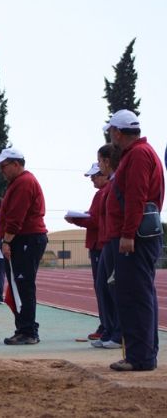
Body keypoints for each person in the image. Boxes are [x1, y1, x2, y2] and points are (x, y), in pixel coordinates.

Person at [104, 110, 164, 372]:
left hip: (134, 238)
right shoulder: (141, 152)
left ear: (117, 132)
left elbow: (136, 196)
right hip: (139, 235)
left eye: (110, 132)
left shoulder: (138, 155)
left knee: (134, 296)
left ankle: (139, 357)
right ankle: (145, 353)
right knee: (141, 295)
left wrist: (128, 234)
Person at [0, 148, 48, 345]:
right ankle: (24, 328)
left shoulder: (24, 183)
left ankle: (28, 331)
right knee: (19, 285)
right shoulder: (18, 183)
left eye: (4, 166)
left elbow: (17, 216)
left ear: (16, 164)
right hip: (24, 239)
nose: (1, 171)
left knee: (23, 286)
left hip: (26, 239)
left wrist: (7, 240)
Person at [64, 163, 109, 341]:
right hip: (98, 245)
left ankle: (108, 325)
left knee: (103, 288)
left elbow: (96, 221)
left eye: (95, 175)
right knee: (101, 288)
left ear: (105, 174)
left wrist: (76, 220)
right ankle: (105, 324)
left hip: (100, 245)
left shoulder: (104, 193)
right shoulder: (101, 193)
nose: (92, 179)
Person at [91, 144, 122, 350]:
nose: (94, 177)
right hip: (106, 241)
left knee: (114, 289)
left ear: (107, 162)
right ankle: (109, 330)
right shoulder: (107, 188)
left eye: (100, 162)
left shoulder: (113, 185)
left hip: (112, 241)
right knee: (103, 287)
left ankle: (118, 333)